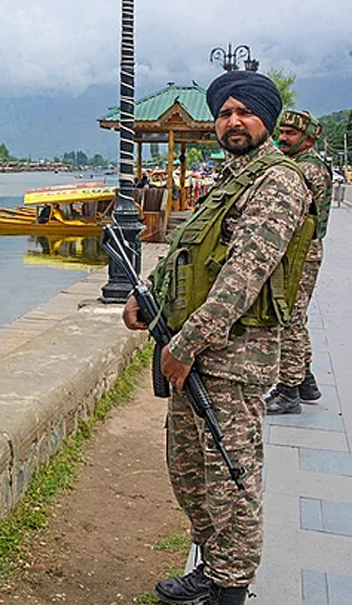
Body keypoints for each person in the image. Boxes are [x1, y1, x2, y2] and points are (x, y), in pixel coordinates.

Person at [121, 71, 312, 605]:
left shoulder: (276, 183)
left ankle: (231, 587)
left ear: (265, 119)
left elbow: (242, 279)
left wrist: (185, 346)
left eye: (244, 112)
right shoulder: (230, 179)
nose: (233, 121)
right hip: (194, 352)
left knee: (231, 477)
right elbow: (186, 249)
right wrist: (147, 295)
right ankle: (211, 565)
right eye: (224, 113)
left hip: (232, 359)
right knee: (188, 472)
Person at [266, 110, 333, 414]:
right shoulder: (305, 165)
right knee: (296, 317)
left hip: (299, 254)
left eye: (291, 134)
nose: (283, 137)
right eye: (282, 131)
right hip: (302, 251)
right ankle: (305, 380)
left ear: (308, 139)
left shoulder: (306, 170)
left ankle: (289, 390)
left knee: (288, 318)